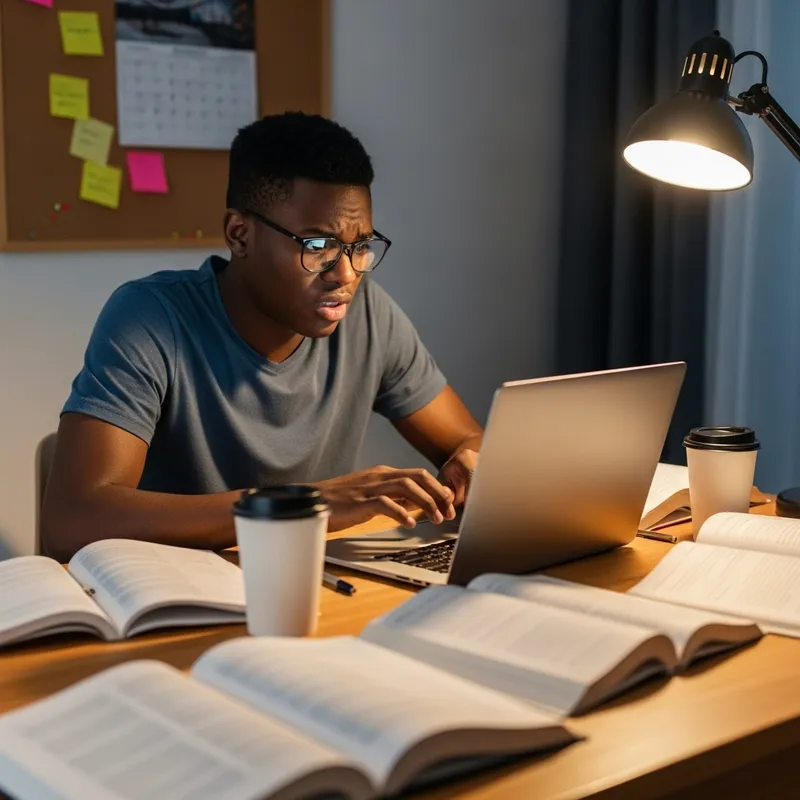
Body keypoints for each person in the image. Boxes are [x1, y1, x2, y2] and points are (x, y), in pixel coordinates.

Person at [41, 112, 482, 560]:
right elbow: (73, 519)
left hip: (310, 586)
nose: (346, 274)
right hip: (174, 597)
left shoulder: (368, 315)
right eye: (318, 246)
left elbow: (471, 442)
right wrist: (305, 506)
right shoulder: (151, 318)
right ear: (239, 234)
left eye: (360, 246)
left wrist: (472, 463)